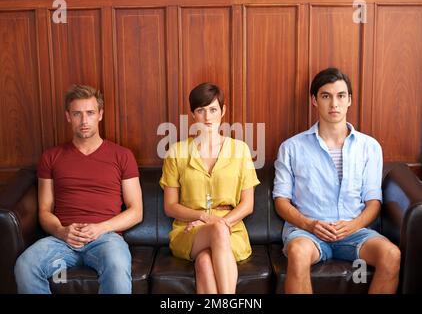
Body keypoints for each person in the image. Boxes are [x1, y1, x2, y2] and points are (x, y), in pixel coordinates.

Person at [273, 68, 401, 294]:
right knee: (298, 253)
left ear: (349, 100)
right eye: (326, 96)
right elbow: (281, 201)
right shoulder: (291, 147)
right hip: (308, 232)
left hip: (354, 230)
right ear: (314, 100)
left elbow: (374, 202)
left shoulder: (369, 147)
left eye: (341, 96)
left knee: (391, 255)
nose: (334, 103)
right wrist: (310, 224)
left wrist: (353, 225)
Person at [14, 84, 143, 294]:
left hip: (106, 238)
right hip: (62, 240)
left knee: (117, 267)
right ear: (68, 116)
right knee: (25, 265)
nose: (84, 121)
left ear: (100, 114)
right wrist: (61, 231)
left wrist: (101, 228)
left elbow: (136, 211)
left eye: (90, 113)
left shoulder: (123, 155)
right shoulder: (51, 157)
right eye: (77, 114)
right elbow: (45, 210)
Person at [160, 82, 260, 294]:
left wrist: (219, 222)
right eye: (201, 110)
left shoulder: (240, 150)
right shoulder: (177, 151)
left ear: (223, 111)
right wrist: (204, 217)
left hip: (232, 229)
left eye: (213, 109)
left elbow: (248, 204)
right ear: (193, 115)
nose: (207, 117)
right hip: (189, 230)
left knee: (205, 262)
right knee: (216, 230)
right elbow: (170, 206)